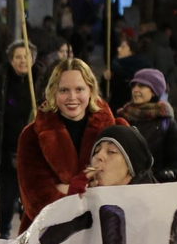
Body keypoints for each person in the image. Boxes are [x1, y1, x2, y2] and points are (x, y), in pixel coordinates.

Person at [16, 59, 123, 224]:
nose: (72, 97)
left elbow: (124, 191)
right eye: (64, 90)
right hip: (49, 236)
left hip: (102, 234)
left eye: (79, 89)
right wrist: (85, 190)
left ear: (91, 90)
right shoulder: (31, 136)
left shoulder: (114, 131)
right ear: (53, 92)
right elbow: (37, 202)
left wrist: (65, 190)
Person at [0, 40, 39, 237]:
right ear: (11, 60)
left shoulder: (40, 82)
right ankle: (3, 234)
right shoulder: (2, 81)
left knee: (29, 197)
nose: (23, 61)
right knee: (7, 196)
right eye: (18, 57)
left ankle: (27, 235)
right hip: (8, 148)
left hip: (33, 152)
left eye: (27, 56)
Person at [119, 67, 177, 182]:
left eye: (141, 86)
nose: (135, 90)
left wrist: (163, 176)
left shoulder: (167, 123)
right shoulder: (123, 118)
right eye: (134, 86)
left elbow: (174, 163)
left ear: (154, 91)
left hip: (153, 186)